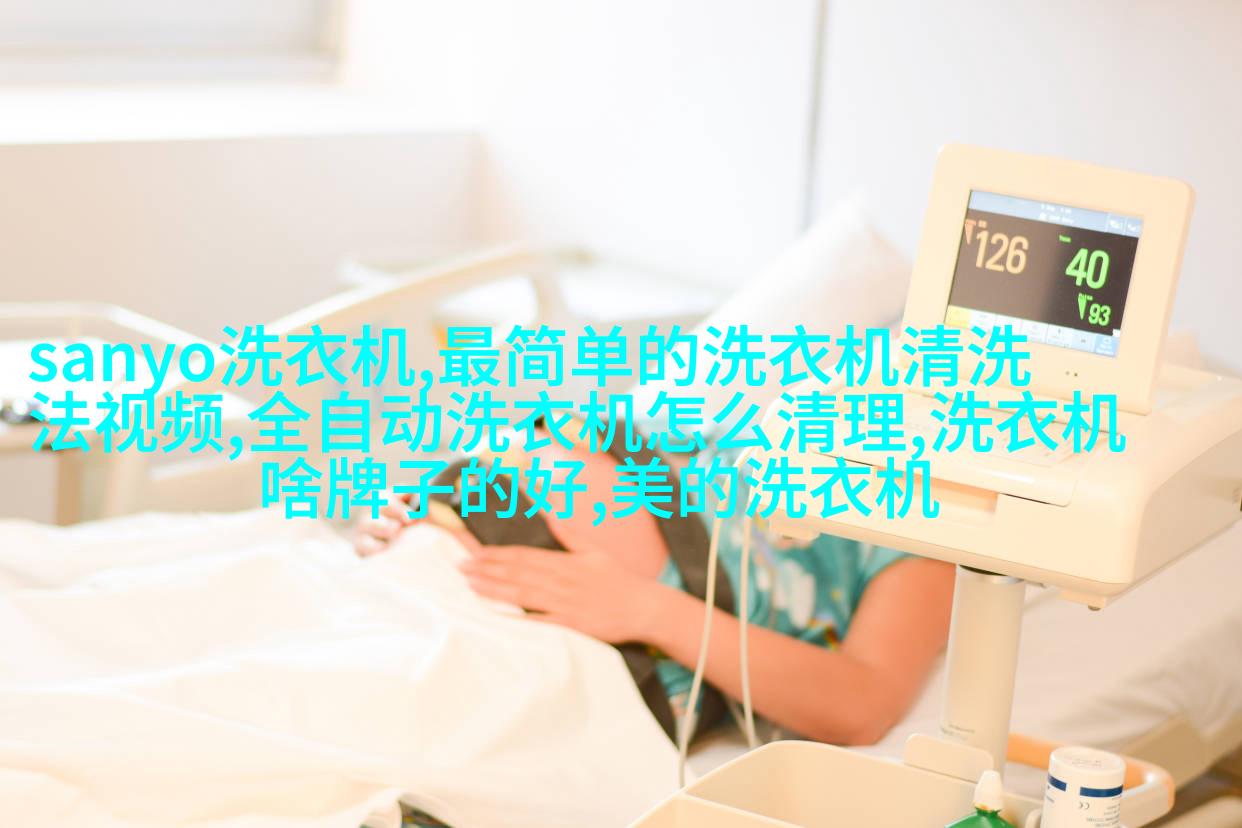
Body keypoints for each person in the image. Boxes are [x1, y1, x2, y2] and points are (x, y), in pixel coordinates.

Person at [356, 417, 955, 749]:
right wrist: (398, 519)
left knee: (388, 716)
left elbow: (861, 705)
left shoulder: (936, 522)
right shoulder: (766, 423)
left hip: (649, 622)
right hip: (478, 509)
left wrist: (646, 610)